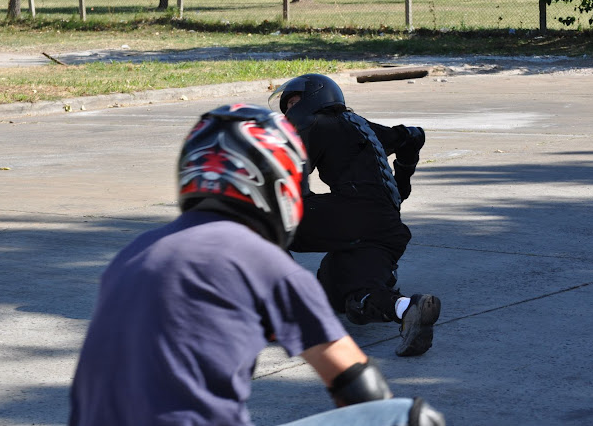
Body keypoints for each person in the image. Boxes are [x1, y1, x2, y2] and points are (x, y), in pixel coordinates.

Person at [68, 103, 445, 426]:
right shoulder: (262, 264)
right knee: (406, 417)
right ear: (279, 183)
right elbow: (356, 384)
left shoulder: (131, 255)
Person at [268, 74, 441, 357]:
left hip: (354, 215)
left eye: (293, 102)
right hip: (386, 229)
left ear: (316, 98)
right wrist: (403, 180)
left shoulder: (315, 124)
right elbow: (413, 135)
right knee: (350, 299)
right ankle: (408, 307)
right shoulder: (363, 127)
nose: (289, 111)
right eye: (286, 105)